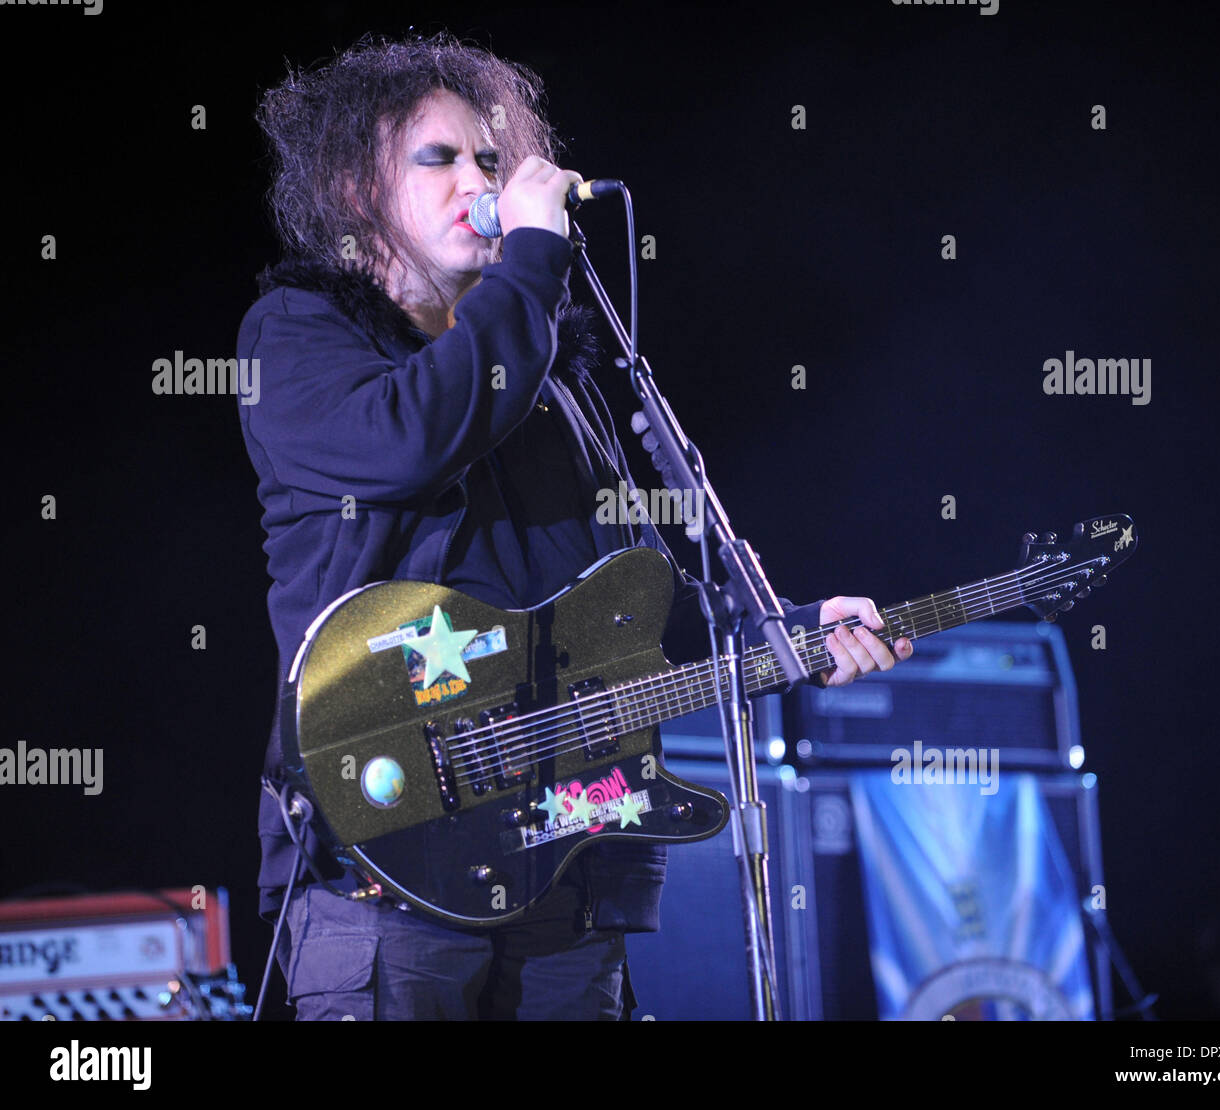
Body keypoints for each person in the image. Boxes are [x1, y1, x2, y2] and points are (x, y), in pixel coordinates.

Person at [238, 31, 912, 1021]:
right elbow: (410, 439)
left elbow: (623, 603)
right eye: (442, 158)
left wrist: (785, 630)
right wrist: (534, 263)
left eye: (491, 160)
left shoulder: (546, 375)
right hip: (393, 861)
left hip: (567, 856)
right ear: (352, 191)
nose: (480, 179)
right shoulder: (298, 337)